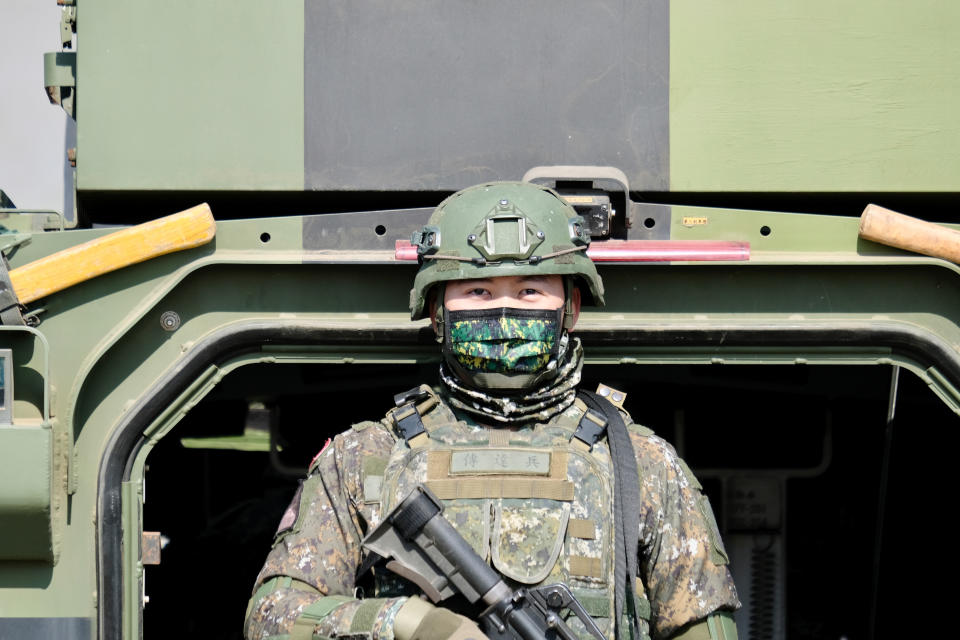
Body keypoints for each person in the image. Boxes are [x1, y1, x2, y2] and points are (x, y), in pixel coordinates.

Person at [244, 182, 740, 640]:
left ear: (570, 307)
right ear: (437, 311)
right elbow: (272, 616)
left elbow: (703, 628)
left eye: (529, 290)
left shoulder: (640, 462)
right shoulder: (367, 456)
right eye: (478, 291)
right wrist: (407, 621)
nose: (504, 312)